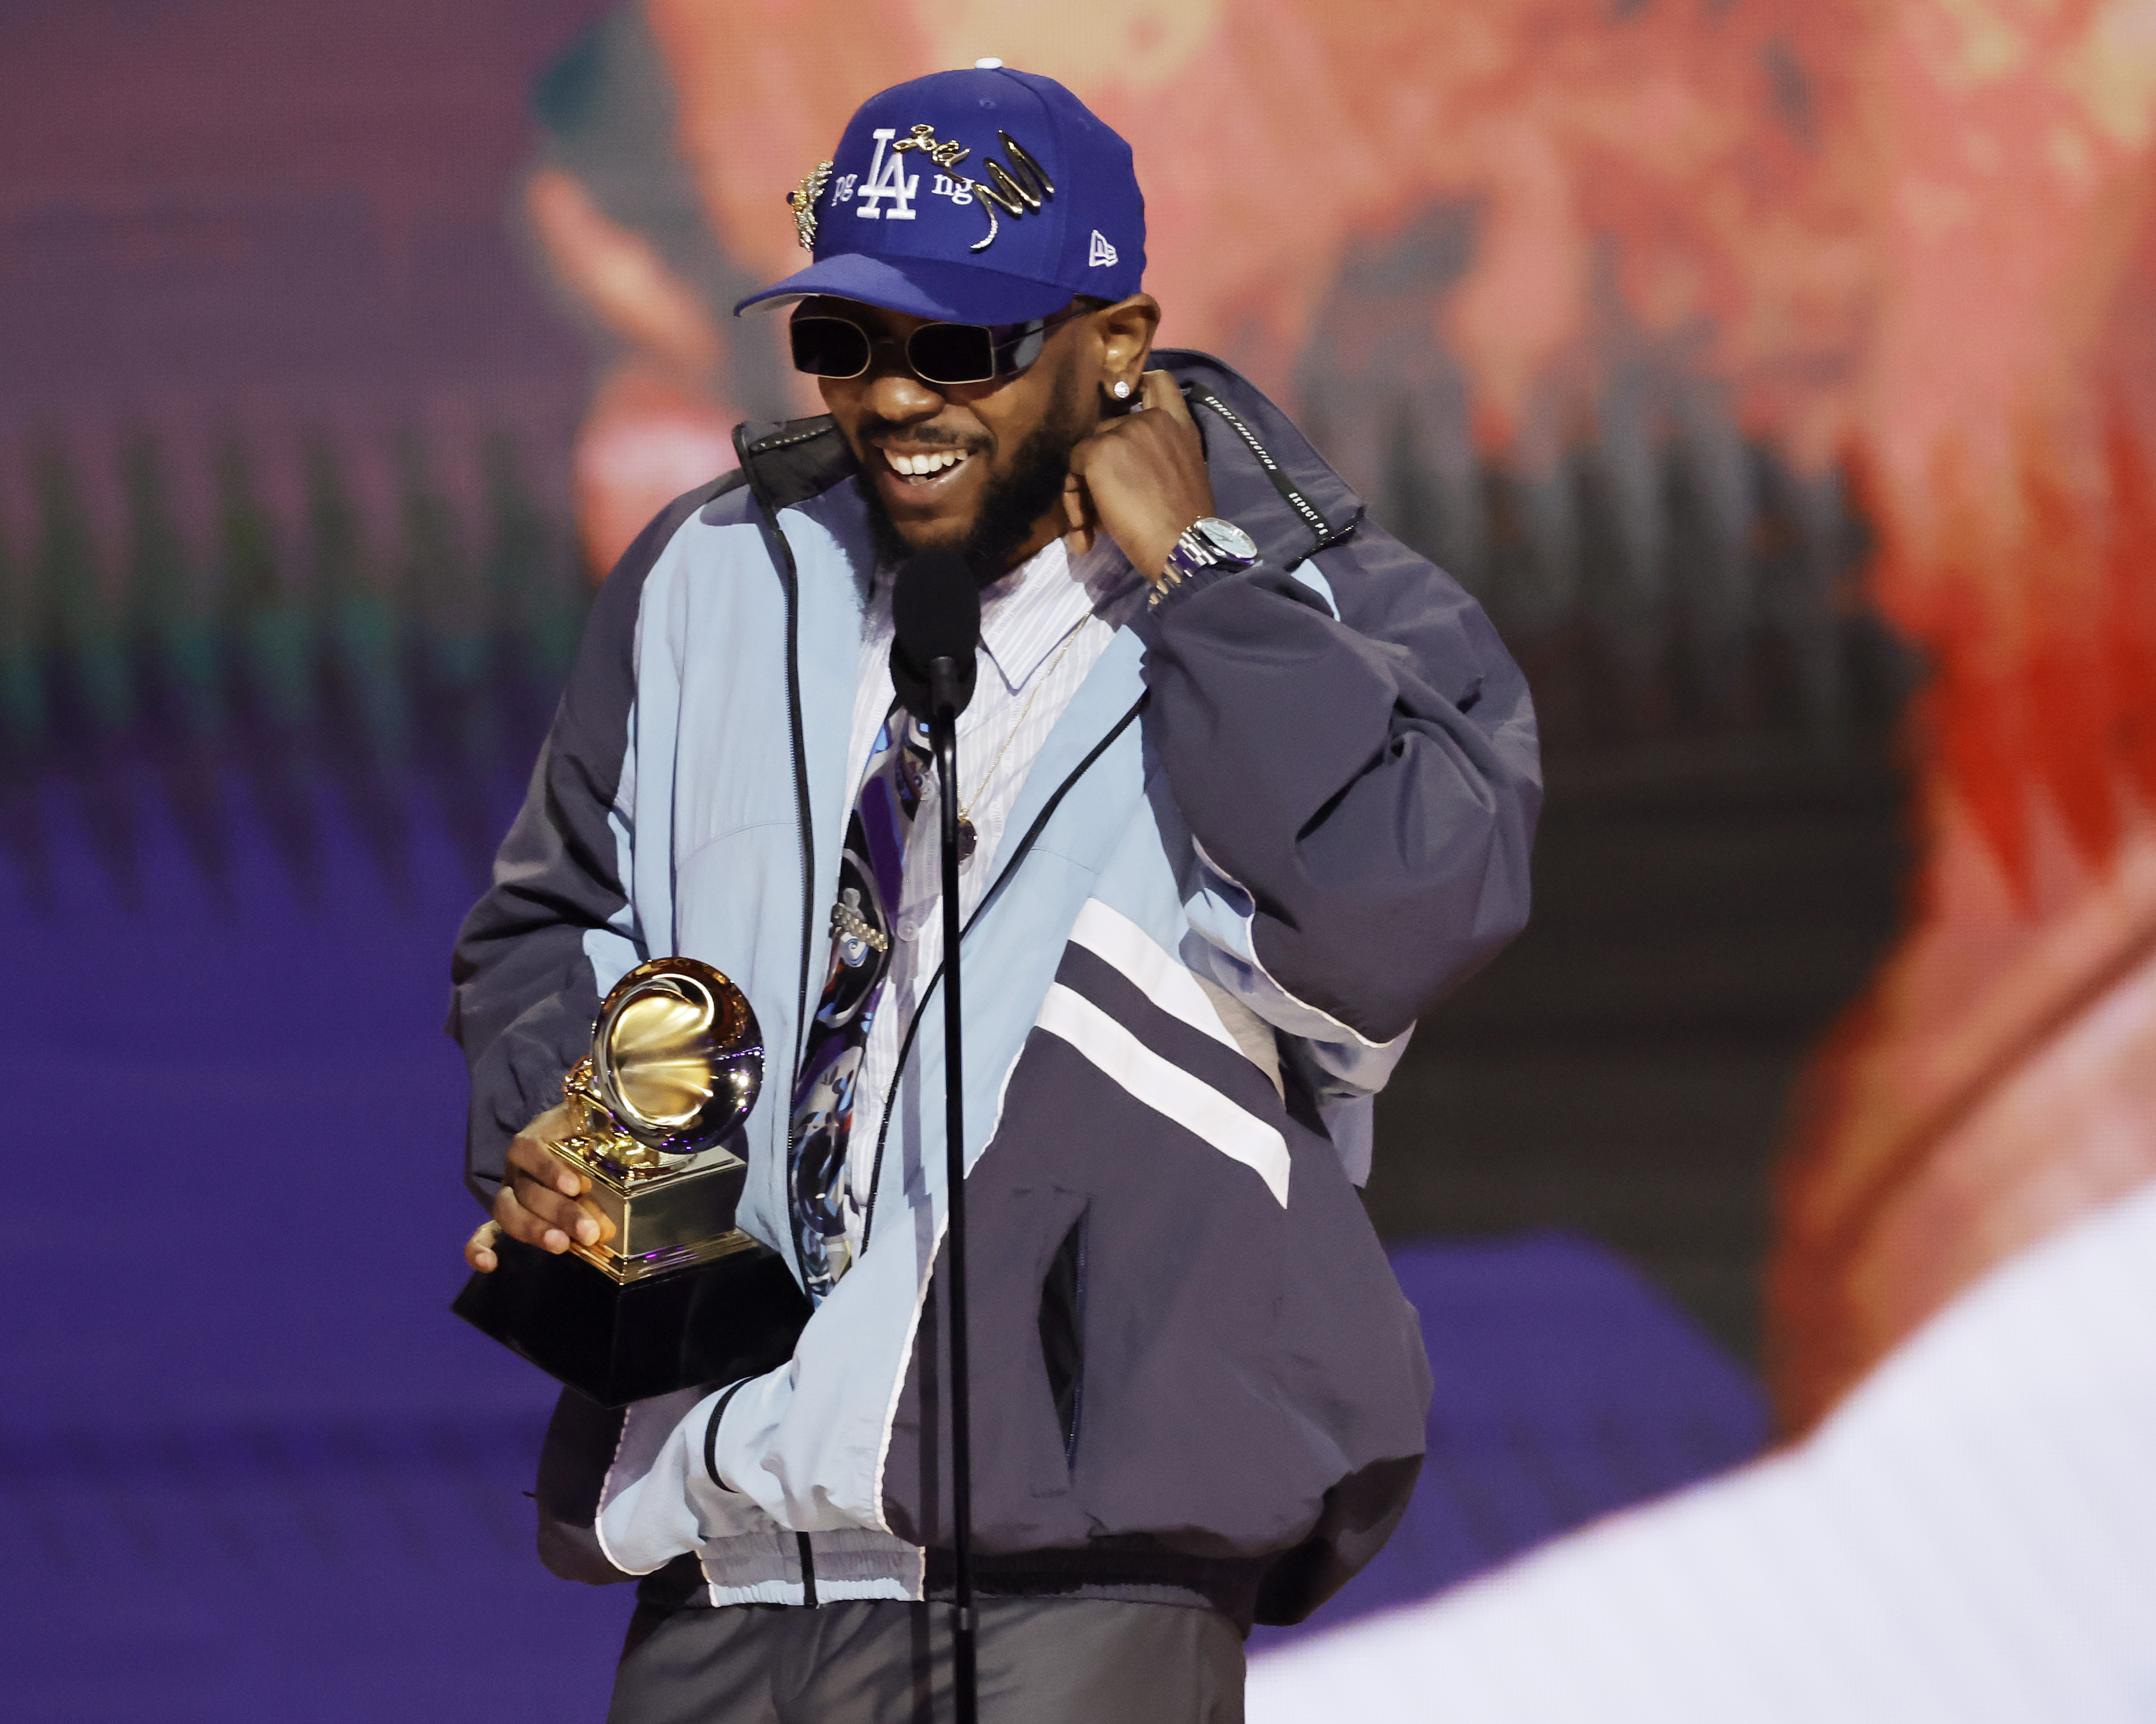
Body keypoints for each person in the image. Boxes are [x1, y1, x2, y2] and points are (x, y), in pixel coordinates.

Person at [450, 64, 1539, 1724]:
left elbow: (1397, 912)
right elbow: (549, 923)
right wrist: (571, 1129)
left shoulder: (1314, 602)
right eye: (847, 341)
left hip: (1078, 1585)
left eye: (961, 347)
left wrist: (1200, 581)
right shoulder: (714, 579)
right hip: (724, 1565)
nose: (894, 397)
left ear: (1115, 340)